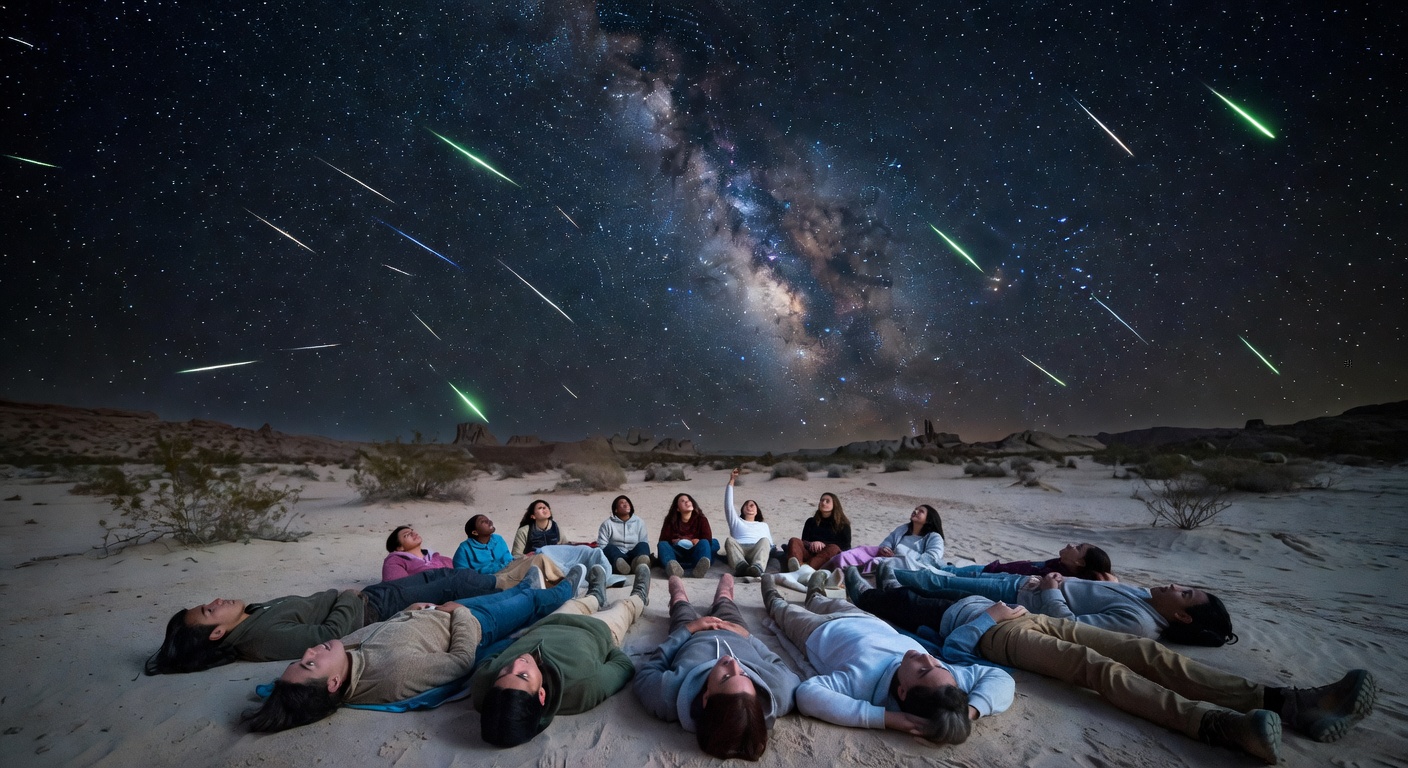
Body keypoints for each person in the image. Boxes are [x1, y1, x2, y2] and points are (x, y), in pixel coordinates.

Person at [846, 574, 1378, 764]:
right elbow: (960, 655)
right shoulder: (921, 634)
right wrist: (989, 612)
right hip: (1000, 635)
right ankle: (1217, 724)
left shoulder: (922, 605)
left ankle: (1287, 701)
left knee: (1148, 654)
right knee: (1093, 668)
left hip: (1033, 618)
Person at [244, 568, 585, 732]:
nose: (309, 652)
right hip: (472, 622)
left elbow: (385, 629)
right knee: (529, 601)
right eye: (309, 665)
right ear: (332, 684)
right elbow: (461, 661)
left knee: (518, 595)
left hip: (437, 612)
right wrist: (459, 612)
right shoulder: (394, 674)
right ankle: (568, 588)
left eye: (301, 659)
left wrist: (413, 611)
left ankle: (527, 586)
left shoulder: (345, 657)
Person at [762, 573, 1012, 743]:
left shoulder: (862, 684)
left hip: (817, 632)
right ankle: (814, 592)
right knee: (822, 600)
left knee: (784, 611)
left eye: (922, 670)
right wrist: (969, 712)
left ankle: (771, 593)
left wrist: (885, 718)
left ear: (902, 692)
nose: (927, 658)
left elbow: (807, 695)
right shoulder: (945, 682)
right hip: (866, 620)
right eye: (937, 663)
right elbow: (1000, 678)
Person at [147, 566, 505, 675]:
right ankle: (511, 584)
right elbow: (332, 633)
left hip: (366, 597)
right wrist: (349, 597)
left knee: (440, 575)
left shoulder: (252, 616)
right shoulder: (261, 639)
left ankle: (509, 577)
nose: (216, 601)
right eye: (210, 611)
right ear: (218, 633)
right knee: (454, 584)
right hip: (370, 609)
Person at [472, 564, 653, 747]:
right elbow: (624, 666)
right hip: (599, 629)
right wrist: (605, 644)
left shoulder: (484, 684)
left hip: (551, 623)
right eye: (523, 675)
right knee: (624, 607)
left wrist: (517, 644)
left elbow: (489, 659)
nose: (517, 663)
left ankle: (595, 595)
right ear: (541, 695)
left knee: (576, 603)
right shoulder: (584, 686)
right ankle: (640, 595)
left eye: (504, 673)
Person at [634, 573, 801, 760]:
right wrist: (748, 637)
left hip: (691, 634)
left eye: (726, 677)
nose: (733, 662)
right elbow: (780, 666)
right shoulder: (780, 691)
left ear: (706, 698)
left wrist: (688, 630)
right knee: (725, 597)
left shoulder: (668, 695)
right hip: (734, 630)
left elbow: (646, 673)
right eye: (744, 674)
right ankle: (724, 588)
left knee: (680, 601)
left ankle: (677, 589)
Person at [881, 563, 1235, 646]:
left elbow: (1068, 625)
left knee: (938, 586)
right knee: (941, 583)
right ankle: (890, 581)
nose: (1175, 585)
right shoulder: (1145, 597)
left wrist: (1050, 587)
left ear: (1182, 616)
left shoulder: (1139, 624)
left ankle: (886, 578)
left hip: (1018, 598)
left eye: (1184, 594)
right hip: (1023, 585)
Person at [452, 514, 568, 587]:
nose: (489, 522)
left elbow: (508, 559)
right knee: (508, 579)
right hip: (489, 579)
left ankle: (563, 582)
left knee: (539, 557)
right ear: (475, 532)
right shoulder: (464, 549)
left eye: (488, 519)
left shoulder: (498, 539)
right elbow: (462, 576)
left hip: (509, 569)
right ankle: (551, 586)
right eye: (483, 522)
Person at [828, 504, 945, 573]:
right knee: (852, 554)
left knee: (876, 563)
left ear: (929, 519)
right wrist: (886, 549)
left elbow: (932, 558)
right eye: (915, 509)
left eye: (921, 511)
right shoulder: (903, 529)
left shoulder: (934, 537)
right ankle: (831, 572)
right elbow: (887, 542)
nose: (915, 511)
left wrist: (900, 556)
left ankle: (855, 580)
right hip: (887, 557)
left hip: (910, 566)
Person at [940, 542, 1115, 582]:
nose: (1070, 544)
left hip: (989, 576)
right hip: (991, 568)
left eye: (1077, 547)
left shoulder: (1056, 578)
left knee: (946, 574)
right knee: (946, 569)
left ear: (1080, 563)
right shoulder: (1058, 565)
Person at [722, 468, 772, 578]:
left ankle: (757, 568)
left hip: (756, 550)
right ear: (742, 509)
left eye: (752, 505)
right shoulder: (736, 521)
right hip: (740, 549)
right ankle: (741, 567)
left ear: (757, 510)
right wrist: (731, 481)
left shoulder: (763, 525)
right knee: (729, 540)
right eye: (746, 505)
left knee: (765, 541)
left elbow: (769, 545)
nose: (749, 507)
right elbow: (728, 505)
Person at [785, 492, 852, 572]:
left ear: (835, 505)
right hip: (810, 553)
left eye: (827, 501)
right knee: (794, 540)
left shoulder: (843, 525)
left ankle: (804, 570)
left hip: (827, 557)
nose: (823, 503)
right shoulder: (810, 521)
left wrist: (824, 545)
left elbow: (846, 548)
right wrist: (811, 544)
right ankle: (797, 567)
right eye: (822, 500)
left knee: (834, 548)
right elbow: (803, 541)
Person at [658, 492, 718, 578]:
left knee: (705, 543)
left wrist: (697, 541)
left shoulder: (701, 519)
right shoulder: (670, 520)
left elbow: (707, 539)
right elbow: (663, 540)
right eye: (683, 501)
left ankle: (699, 569)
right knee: (662, 545)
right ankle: (673, 569)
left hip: (695, 552)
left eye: (688, 500)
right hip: (677, 553)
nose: (687, 502)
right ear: (677, 508)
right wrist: (675, 540)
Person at [597, 495, 652, 574]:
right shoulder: (607, 524)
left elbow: (643, 540)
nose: (626, 505)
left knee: (643, 545)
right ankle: (621, 567)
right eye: (622, 503)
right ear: (616, 509)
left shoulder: (639, 522)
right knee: (609, 548)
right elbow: (602, 545)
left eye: (627, 503)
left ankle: (638, 564)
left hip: (634, 554)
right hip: (617, 556)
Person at [382, 525, 454, 581]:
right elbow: (399, 589)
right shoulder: (394, 561)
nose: (414, 533)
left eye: (412, 531)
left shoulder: (442, 559)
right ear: (399, 548)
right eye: (407, 534)